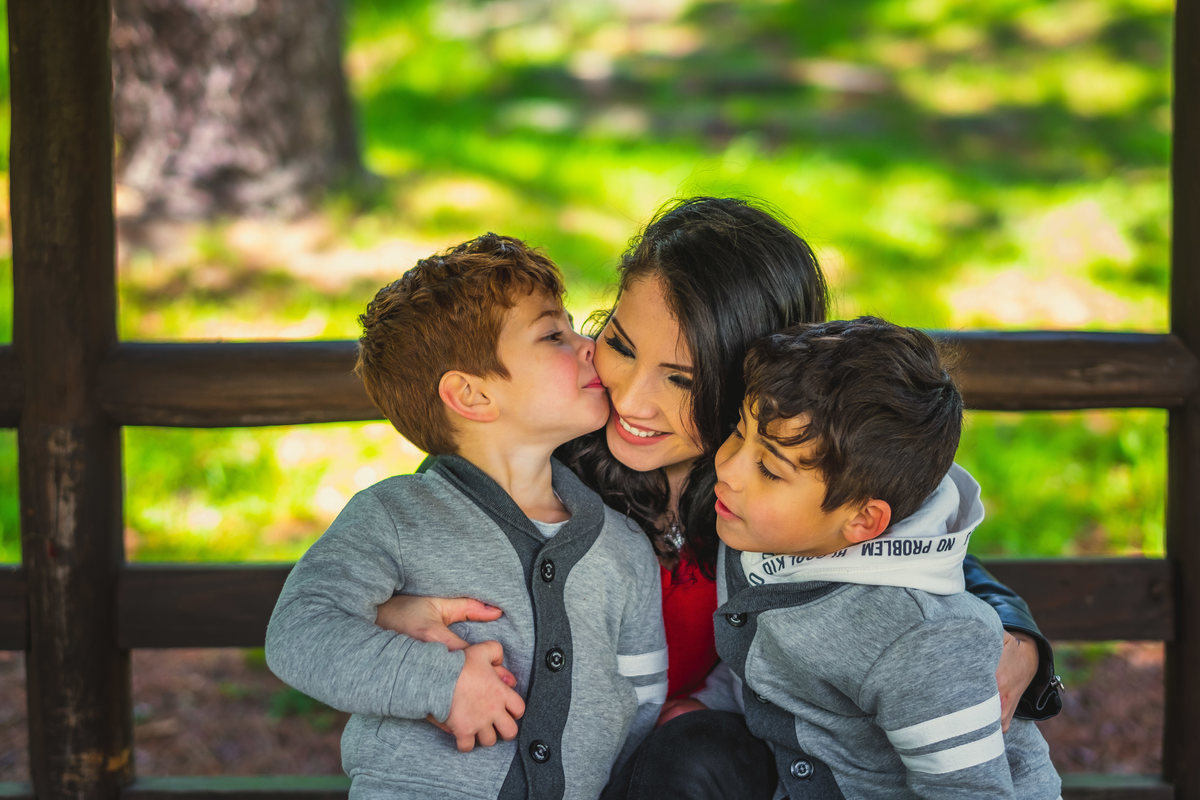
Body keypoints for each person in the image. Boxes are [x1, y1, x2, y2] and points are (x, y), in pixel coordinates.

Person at [374, 198, 1063, 799]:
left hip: (732, 769)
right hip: (555, 764)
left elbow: (920, 569)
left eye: (681, 379)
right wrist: (392, 611)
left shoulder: (791, 486)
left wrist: (1022, 643)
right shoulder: (537, 451)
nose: (633, 400)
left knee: (697, 755)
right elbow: (399, 548)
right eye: (618, 342)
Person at [265, 233, 668, 800]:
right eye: (553, 334)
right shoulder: (395, 515)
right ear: (473, 397)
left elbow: (643, 696)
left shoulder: (621, 545)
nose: (588, 345)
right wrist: (438, 682)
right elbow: (300, 631)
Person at [710, 316, 1062, 799]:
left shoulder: (920, 641)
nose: (727, 467)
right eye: (737, 432)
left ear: (863, 521)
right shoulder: (766, 530)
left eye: (769, 469)